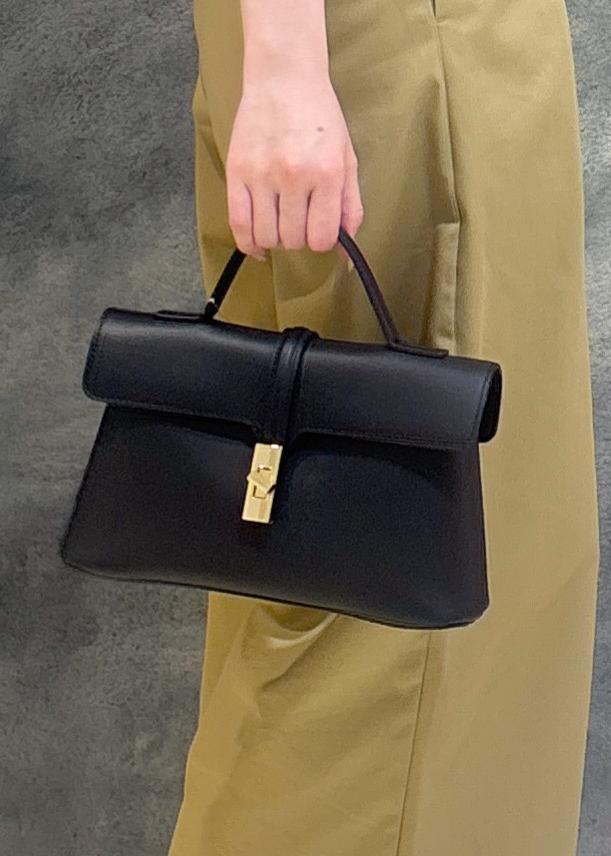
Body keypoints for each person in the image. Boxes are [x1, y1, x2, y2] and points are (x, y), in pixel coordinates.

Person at [169, 1, 601, 854]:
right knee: (398, 615)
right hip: (405, 40)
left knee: (322, 554)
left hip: (364, 43)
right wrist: (287, 64)